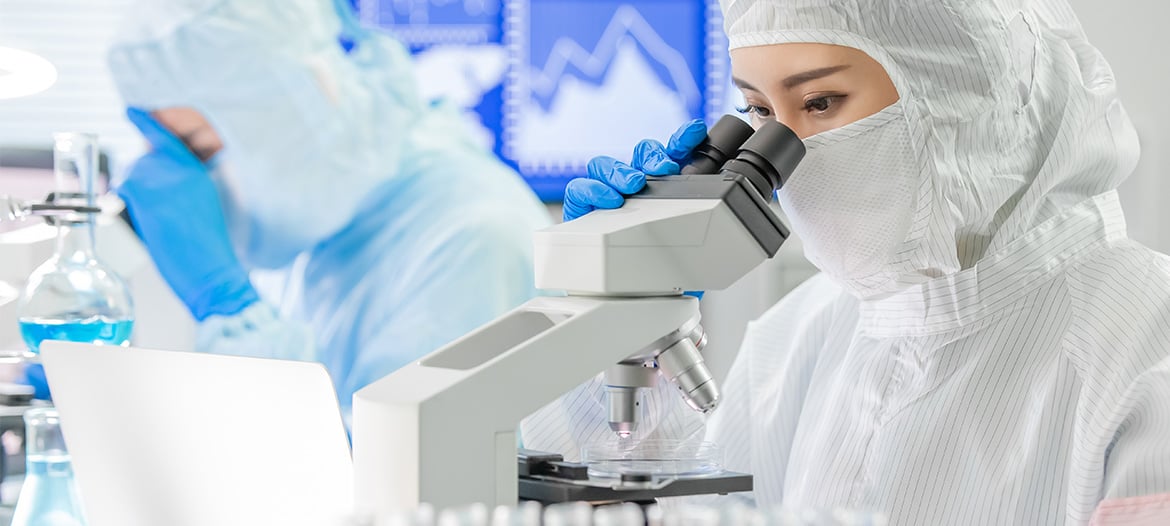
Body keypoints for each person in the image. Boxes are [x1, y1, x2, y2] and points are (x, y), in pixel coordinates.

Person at [520, 0, 1170, 524]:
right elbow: (646, 487)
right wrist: (611, 314)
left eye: (821, 102)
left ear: (960, 95)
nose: (784, 150)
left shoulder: (1144, 345)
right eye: (760, 111)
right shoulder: (797, 337)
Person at [96, 0, 550, 423]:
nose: (194, 177)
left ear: (299, 101)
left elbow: (384, 478)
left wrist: (231, 309)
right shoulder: (323, 223)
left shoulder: (471, 237)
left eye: (197, 145)